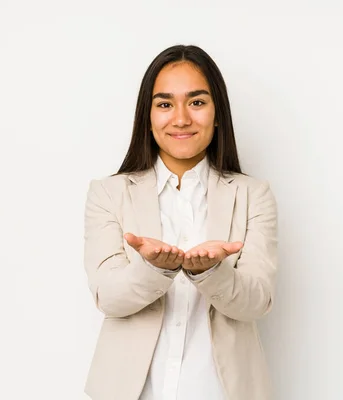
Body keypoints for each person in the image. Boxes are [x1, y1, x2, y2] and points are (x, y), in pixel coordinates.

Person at [83, 44, 278, 400]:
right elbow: (108, 297)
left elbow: (258, 300)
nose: (182, 118)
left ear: (218, 113)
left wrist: (211, 272)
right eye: (165, 104)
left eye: (197, 102)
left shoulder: (254, 195)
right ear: (148, 115)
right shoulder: (108, 193)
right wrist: (154, 269)